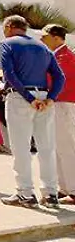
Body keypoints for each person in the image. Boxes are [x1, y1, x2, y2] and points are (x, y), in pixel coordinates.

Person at [0, 16, 66, 208]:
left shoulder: (6, 44)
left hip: (21, 97)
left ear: (10, 27)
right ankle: (51, 193)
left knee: (21, 148)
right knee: (46, 148)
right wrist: (50, 98)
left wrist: (29, 98)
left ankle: (25, 193)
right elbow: (59, 77)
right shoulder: (42, 47)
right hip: (44, 98)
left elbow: (10, 74)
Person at [44, 26, 75, 202]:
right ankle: (64, 187)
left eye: (45, 36)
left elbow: (51, 79)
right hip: (58, 105)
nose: (42, 40)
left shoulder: (65, 57)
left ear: (56, 38)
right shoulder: (58, 56)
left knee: (67, 147)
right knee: (58, 148)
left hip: (63, 104)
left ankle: (73, 189)